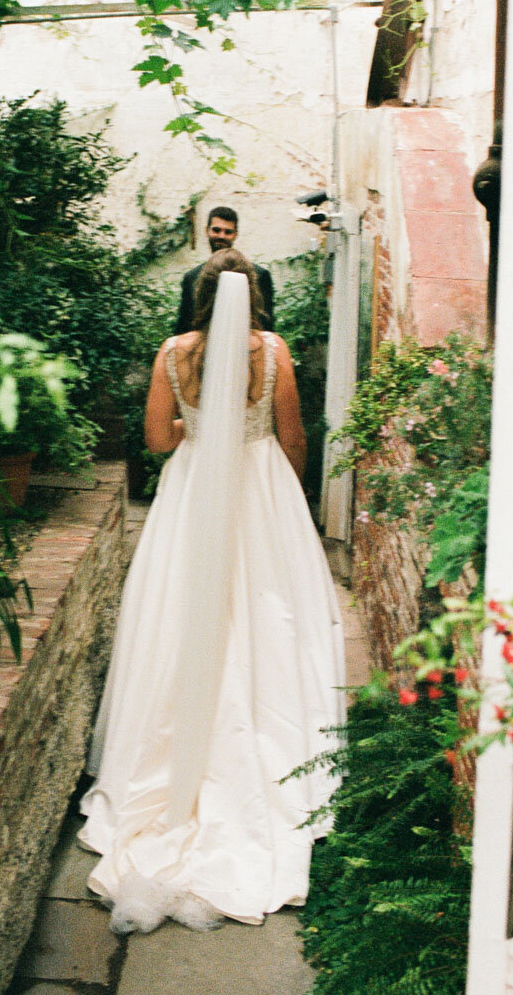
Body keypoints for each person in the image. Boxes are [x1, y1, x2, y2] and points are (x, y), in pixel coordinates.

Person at [80, 249, 345, 933]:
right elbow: (293, 436)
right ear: (255, 295)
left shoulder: (173, 353)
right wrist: (283, 491)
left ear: (196, 295)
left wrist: (195, 427)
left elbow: (154, 442)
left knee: (178, 614)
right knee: (269, 614)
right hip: (260, 492)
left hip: (193, 490)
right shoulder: (274, 353)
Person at [175, 205, 274, 334]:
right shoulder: (191, 277)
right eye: (216, 230)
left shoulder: (259, 275)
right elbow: (183, 327)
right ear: (207, 231)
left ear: (235, 235)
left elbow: (266, 327)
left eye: (228, 232)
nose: (221, 236)